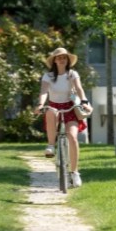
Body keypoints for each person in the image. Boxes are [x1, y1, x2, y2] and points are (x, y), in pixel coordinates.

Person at [34, 46, 89, 188]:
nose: (62, 59)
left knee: (72, 137)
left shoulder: (72, 74)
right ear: (54, 61)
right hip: (54, 106)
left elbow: (79, 88)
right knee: (50, 111)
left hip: (70, 106)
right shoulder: (48, 76)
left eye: (64, 57)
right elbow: (44, 91)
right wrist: (40, 104)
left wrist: (84, 101)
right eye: (59, 58)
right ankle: (51, 145)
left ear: (68, 60)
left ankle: (75, 173)